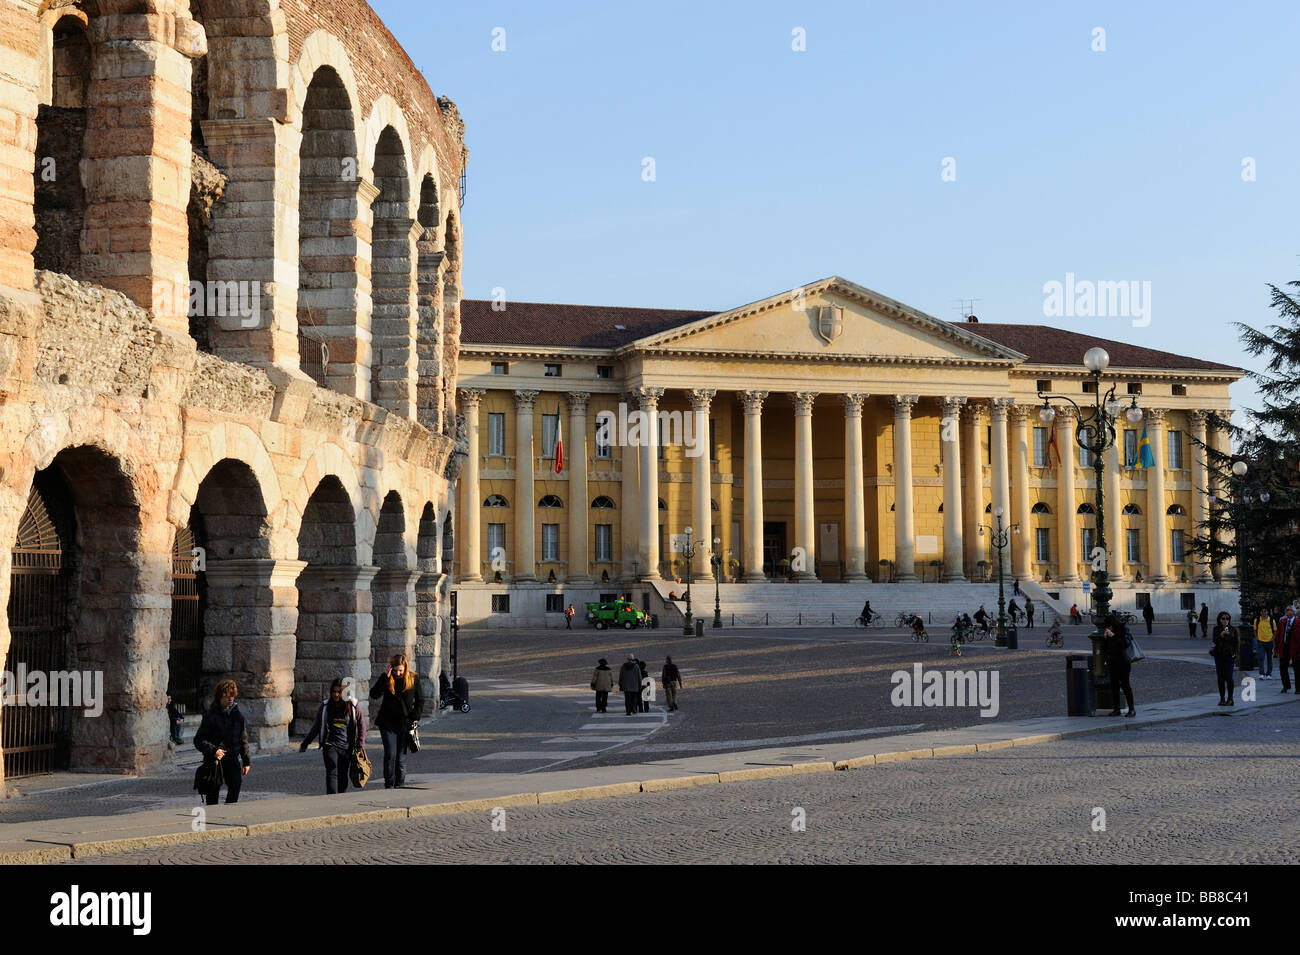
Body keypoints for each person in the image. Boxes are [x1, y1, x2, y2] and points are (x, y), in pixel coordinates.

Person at [300, 677, 367, 794]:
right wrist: (305, 743)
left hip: (347, 747)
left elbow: (362, 726)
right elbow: (317, 726)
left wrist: (360, 746)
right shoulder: (326, 706)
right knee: (332, 771)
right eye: (334, 691)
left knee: (343, 775)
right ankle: (330, 799)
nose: (336, 695)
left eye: (339, 692)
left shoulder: (352, 706)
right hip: (330, 744)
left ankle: (340, 798)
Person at [369, 653, 424, 789]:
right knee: (390, 754)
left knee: (401, 758)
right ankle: (389, 784)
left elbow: (420, 700)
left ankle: (399, 785)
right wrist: (384, 677)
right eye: (395, 670)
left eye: (400, 670)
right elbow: (374, 694)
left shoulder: (413, 678)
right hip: (387, 722)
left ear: (405, 668)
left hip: (405, 723)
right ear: (391, 668)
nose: (398, 673)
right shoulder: (388, 678)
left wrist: (414, 716)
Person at [193, 680, 251, 805]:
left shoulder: (238, 716)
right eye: (227, 695)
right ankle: (212, 818)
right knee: (212, 793)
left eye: (232, 695)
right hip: (215, 761)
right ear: (220, 696)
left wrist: (246, 761)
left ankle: (229, 813)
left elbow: (243, 739)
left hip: (232, 758)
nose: (230, 698)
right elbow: (198, 740)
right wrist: (214, 750)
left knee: (236, 785)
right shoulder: (210, 716)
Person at [1099, 614, 1135, 717]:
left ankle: (1131, 709)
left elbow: (1125, 644)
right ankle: (1116, 708)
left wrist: (1113, 636)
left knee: (1125, 685)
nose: (1108, 628)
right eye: (1107, 626)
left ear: (1113, 624)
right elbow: (1103, 649)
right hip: (1112, 661)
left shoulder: (1123, 629)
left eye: (1109, 626)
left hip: (1123, 661)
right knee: (1114, 686)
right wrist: (1105, 639)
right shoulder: (1108, 631)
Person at [1210, 611, 1238, 706]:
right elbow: (1214, 640)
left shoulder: (1233, 629)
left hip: (1229, 656)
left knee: (1229, 677)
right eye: (1223, 618)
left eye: (1227, 618)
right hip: (1219, 656)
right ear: (1219, 620)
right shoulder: (1216, 629)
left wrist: (1236, 655)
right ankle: (1222, 699)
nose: (1225, 620)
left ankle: (1230, 699)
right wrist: (1221, 635)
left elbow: (1236, 643)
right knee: (1220, 678)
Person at [1276, 606, 1300, 693]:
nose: (1287, 611)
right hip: (1284, 647)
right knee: (1283, 668)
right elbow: (1278, 636)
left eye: (1289, 610)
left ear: (1293, 612)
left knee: (1297, 669)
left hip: (1295, 649)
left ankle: (1298, 688)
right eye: (1286, 610)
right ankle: (1286, 686)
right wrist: (1276, 649)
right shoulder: (1282, 622)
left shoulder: (1298, 622)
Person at [1255, 609, 1276, 680]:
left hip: (1269, 641)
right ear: (1260, 612)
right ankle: (1261, 673)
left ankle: (1269, 674)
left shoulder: (1271, 620)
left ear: (1268, 612)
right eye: (1262, 611)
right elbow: (1255, 629)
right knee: (1261, 658)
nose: (1264, 612)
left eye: (1265, 611)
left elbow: (1275, 630)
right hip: (1260, 641)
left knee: (1269, 658)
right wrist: (1257, 637)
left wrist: (1272, 639)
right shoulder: (1257, 620)